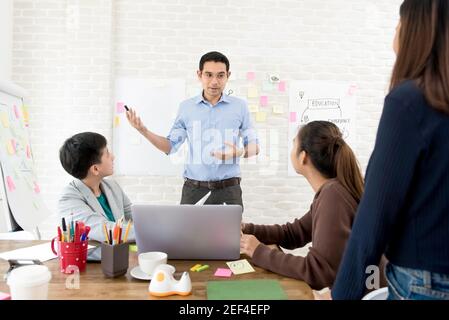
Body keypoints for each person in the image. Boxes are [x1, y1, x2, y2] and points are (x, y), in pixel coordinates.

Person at [332, 0, 449, 300]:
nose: (395, 31)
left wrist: (342, 295)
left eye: (399, 23)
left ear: (416, 32)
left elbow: (374, 216)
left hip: (423, 283)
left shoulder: (409, 102)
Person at [240, 121, 369, 290]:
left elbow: (318, 271)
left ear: (303, 156)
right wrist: (247, 228)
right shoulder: (332, 191)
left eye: (294, 144)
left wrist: (258, 251)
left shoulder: (333, 196)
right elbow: (294, 233)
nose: (291, 151)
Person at [126, 51, 259, 208]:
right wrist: (144, 131)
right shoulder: (186, 108)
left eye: (220, 75)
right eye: (208, 75)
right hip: (193, 190)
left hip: (229, 190)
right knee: (187, 234)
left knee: (230, 234)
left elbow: (254, 147)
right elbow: (170, 146)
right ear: (199, 74)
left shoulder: (240, 106)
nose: (214, 81)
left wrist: (239, 152)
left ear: (228, 75)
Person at [58, 132, 134, 245]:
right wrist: (149, 232)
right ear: (95, 169)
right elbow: (105, 231)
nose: (113, 157)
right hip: (95, 260)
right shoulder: (69, 198)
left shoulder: (113, 186)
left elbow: (134, 216)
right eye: (107, 154)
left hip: (121, 255)